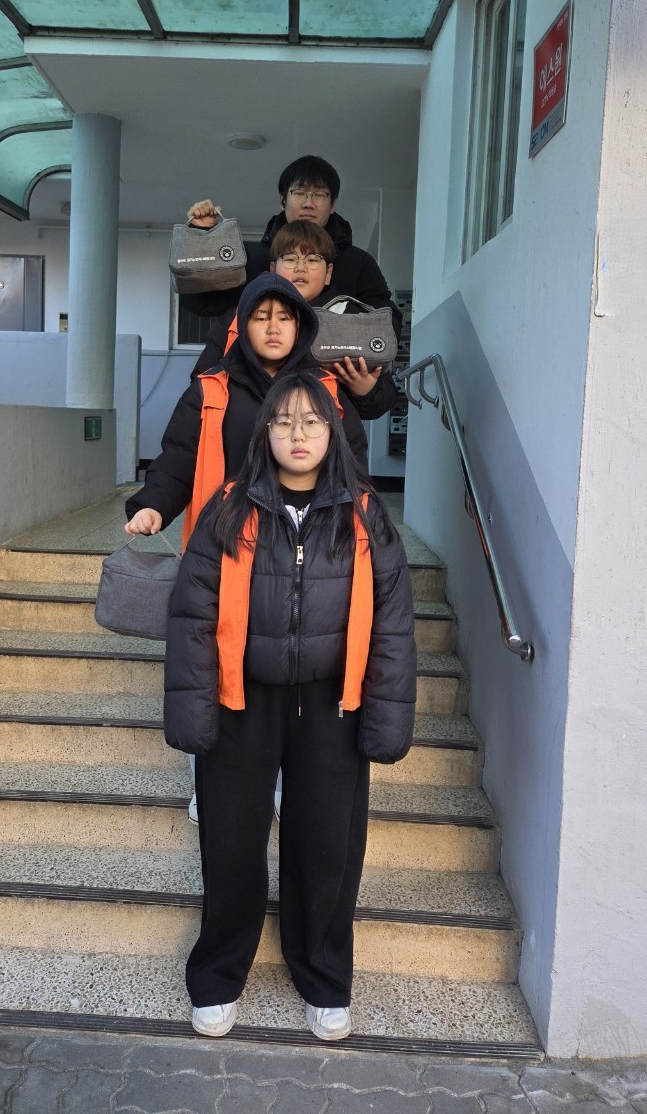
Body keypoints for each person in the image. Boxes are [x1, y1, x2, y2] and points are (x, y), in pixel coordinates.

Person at [163, 371, 418, 1041]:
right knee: (231, 844)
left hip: (334, 704)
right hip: (241, 700)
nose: (298, 434)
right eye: (283, 421)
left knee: (328, 847)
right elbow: (192, 615)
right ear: (265, 433)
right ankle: (218, 976)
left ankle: (325, 979)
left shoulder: (364, 512)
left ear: (332, 430)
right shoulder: (229, 508)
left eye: (311, 421)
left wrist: (387, 717)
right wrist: (194, 712)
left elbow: (393, 623)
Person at [124, 270, 369, 541]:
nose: (273, 329)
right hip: (223, 541)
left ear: (299, 325)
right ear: (242, 326)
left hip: (306, 544)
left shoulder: (326, 390)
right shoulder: (209, 389)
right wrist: (152, 505)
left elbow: (352, 465)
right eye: (260, 318)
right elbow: (179, 458)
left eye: (284, 318)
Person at [190, 218, 398, 417]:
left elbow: (383, 399)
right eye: (290, 258)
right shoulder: (239, 318)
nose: (301, 267)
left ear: (328, 273)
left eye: (313, 259)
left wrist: (365, 391)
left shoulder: (353, 320)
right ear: (273, 268)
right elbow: (200, 384)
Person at [181, 154, 399, 331]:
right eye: (298, 192)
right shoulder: (249, 258)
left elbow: (388, 322)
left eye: (319, 195)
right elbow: (201, 301)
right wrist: (202, 237)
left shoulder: (358, 263)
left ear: (332, 204)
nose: (308, 203)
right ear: (282, 199)